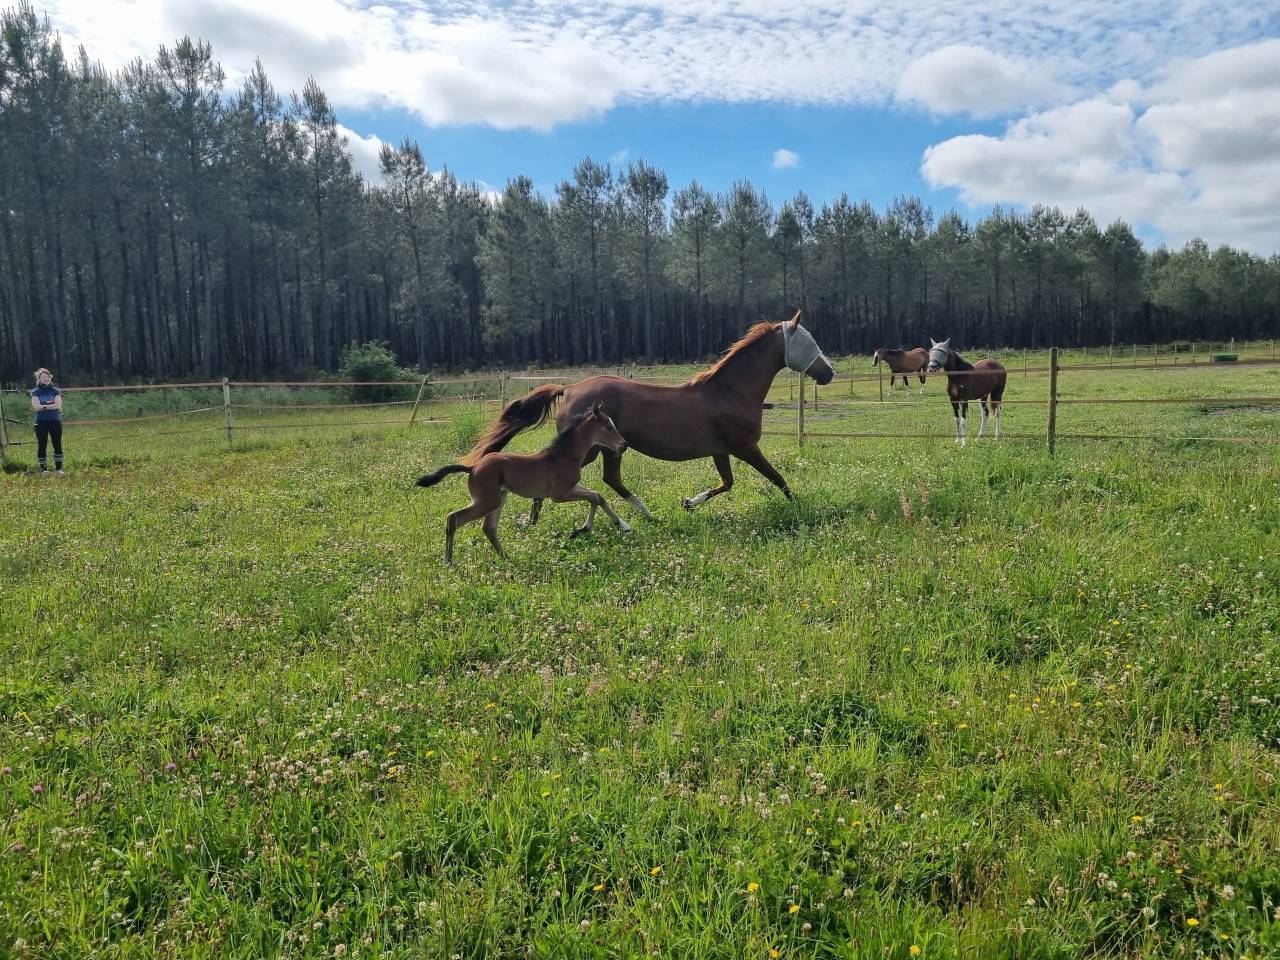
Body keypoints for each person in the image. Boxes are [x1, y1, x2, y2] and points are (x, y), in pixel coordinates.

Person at [29, 367, 64, 475]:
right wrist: (50, 405)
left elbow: (58, 405)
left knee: (57, 444)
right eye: (43, 377)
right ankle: (44, 469)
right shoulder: (35, 392)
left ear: (50, 378)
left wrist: (43, 406)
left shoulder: (56, 390)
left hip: (55, 421)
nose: (46, 379)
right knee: (42, 444)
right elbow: (35, 407)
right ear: (39, 379)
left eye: (48, 376)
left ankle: (59, 469)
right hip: (41, 422)